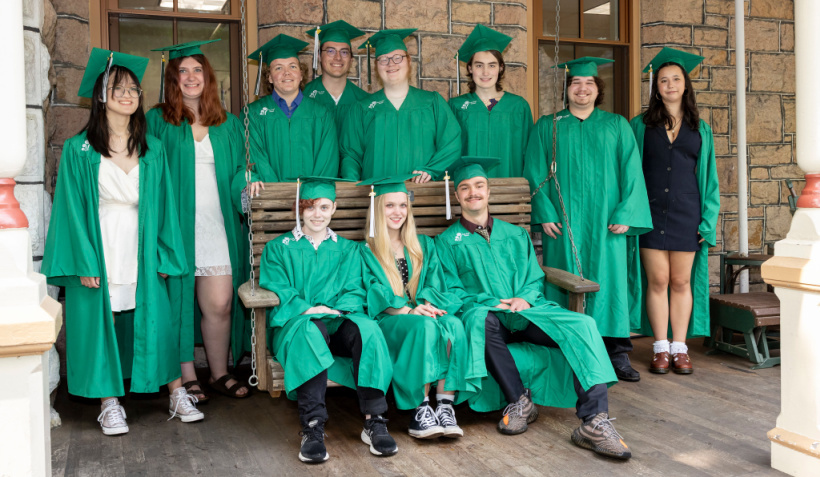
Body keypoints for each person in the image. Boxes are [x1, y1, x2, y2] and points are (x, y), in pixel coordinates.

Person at [42, 48, 202, 435]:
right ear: (101, 95)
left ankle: (176, 392)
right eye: (118, 88)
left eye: (133, 89)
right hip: (101, 243)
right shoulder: (80, 150)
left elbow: (164, 206)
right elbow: (70, 210)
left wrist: (164, 252)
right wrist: (84, 261)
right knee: (103, 322)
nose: (128, 95)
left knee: (156, 318)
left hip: (141, 244)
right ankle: (109, 402)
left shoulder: (152, 148)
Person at [435, 157, 631, 460]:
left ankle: (595, 421)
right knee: (480, 321)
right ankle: (519, 401)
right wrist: (490, 302)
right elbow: (450, 290)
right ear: (457, 196)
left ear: (488, 191)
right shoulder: (447, 242)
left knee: (583, 325)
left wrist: (525, 298)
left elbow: (534, 276)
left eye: (479, 185)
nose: (473, 192)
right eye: (465, 188)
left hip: (526, 313)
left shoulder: (515, 234)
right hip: (488, 317)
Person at [524, 57, 652, 382]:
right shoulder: (548, 126)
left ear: (598, 89)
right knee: (564, 279)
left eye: (589, 83)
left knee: (610, 283)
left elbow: (632, 172)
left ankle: (616, 353)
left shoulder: (617, 125)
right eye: (576, 83)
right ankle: (565, 352)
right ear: (567, 89)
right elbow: (535, 171)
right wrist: (545, 211)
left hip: (607, 221)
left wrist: (626, 212)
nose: (582, 89)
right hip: (562, 222)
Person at [147, 40, 258, 401]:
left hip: (216, 224)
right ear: (173, 79)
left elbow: (240, 169)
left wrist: (248, 181)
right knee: (178, 301)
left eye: (197, 70)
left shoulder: (228, 123)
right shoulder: (157, 120)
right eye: (183, 71)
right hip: (175, 226)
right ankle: (186, 376)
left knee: (221, 303)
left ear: (208, 77)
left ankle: (219, 372)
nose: (191, 76)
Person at [259, 177, 398, 463]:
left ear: (334, 208)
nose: (317, 214)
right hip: (298, 325)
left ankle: (375, 420)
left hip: (337, 319)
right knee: (311, 332)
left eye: (324, 207)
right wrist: (307, 309)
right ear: (299, 208)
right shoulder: (278, 248)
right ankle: (313, 427)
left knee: (369, 329)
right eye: (309, 207)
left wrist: (337, 310)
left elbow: (354, 289)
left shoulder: (348, 249)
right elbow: (278, 287)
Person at [358, 174, 470, 439]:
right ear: (377, 208)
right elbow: (373, 291)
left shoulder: (423, 245)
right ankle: (420, 409)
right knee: (424, 326)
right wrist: (407, 310)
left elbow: (435, 280)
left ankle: (444, 406)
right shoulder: (366, 250)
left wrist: (427, 305)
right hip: (390, 318)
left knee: (453, 324)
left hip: (420, 312)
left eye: (403, 205)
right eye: (390, 205)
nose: (397, 212)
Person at [630, 48, 720, 374]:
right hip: (650, 213)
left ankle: (680, 348)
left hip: (687, 213)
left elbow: (709, 177)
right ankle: (660, 347)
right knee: (658, 280)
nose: (670, 85)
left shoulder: (700, 128)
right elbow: (629, 172)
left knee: (681, 281)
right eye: (663, 80)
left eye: (676, 79)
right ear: (656, 87)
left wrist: (708, 220)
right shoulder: (640, 125)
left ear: (685, 85)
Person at [340, 29, 461, 182]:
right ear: (376, 66)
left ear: (409, 61)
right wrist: (352, 188)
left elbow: (452, 144)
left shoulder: (432, 103)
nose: (391, 64)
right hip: (376, 193)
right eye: (383, 59)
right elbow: (351, 155)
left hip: (423, 193)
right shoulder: (362, 109)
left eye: (398, 57)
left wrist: (432, 169)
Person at [247, 34, 339, 181]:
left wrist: (310, 193)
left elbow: (327, 163)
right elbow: (256, 159)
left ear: (301, 74)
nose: (287, 73)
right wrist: (277, 192)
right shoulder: (253, 114)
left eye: (293, 66)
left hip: (312, 194)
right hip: (270, 193)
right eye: (278, 68)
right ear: (269, 77)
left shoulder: (322, 114)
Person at [449, 25, 533, 178]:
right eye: (479, 65)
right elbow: (448, 151)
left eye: (492, 65)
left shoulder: (518, 107)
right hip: (470, 187)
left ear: (501, 68)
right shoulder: (456, 106)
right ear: (470, 68)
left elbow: (530, 154)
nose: (485, 72)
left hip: (510, 186)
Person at [303, 20, 370, 136]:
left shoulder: (364, 101)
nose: (338, 57)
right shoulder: (303, 97)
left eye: (344, 52)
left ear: (351, 59)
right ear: (319, 56)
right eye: (330, 51)